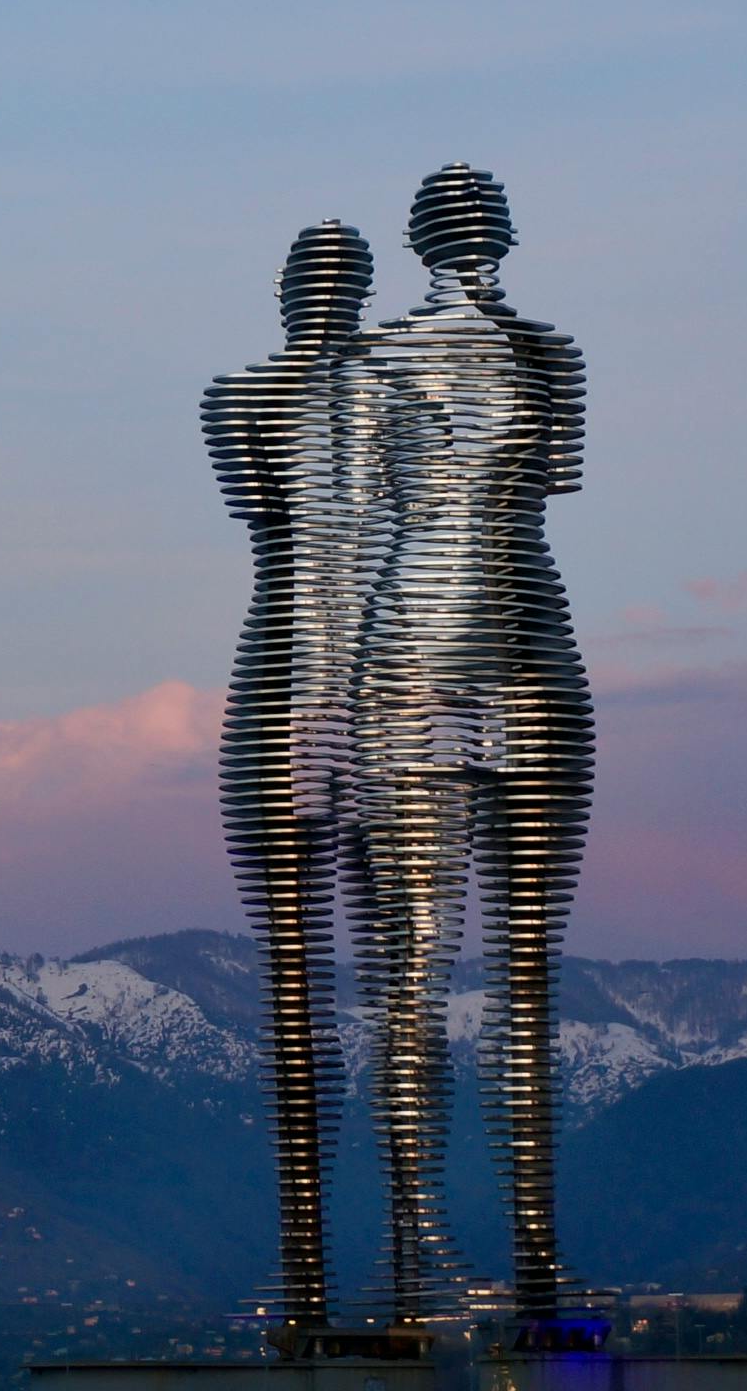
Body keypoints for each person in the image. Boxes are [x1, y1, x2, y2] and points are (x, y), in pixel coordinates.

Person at [352, 163, 593, 1322]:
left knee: (530, 962)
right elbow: (352, 524)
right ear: (417, 244)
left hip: (533, 632)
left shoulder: (557, 355)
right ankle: (422, 1253)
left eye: (484, 228)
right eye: (453, 231)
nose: (471, 247)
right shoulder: (377, 361)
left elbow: (552, 493)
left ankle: (536, 1249)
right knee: (421, 956)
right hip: (412, 646)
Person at [203, 219, 380, 1334]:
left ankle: (395, 1274)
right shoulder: (238, 398)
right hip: (288, 687)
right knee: (294, 987)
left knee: (382, 978)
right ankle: (308, 1283)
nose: (317, 300)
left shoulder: (396, 403)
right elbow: (279, 520)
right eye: (306, 282)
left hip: (361, 686)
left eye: (335, 283)